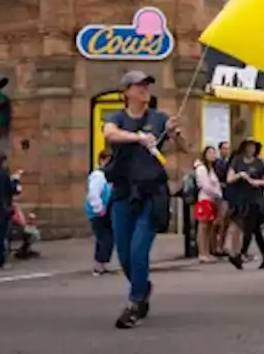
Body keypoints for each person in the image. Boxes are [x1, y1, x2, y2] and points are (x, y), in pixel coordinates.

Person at [101, 71, 187, 329]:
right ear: (126, 91)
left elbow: (183, 147)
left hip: (151, 192)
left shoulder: (159, 118)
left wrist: (175, 133)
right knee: (125, 253)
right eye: (139, 86)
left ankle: (135, 302)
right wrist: (138, 137)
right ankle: (143, 286)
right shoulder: (117, 118)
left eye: (147, 85)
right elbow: (109, 134)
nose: (145, 90)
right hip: (123, 191)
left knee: (139, 249)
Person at [224, 138, 264, 271]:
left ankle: (240, 254)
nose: (251, 149)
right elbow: (229, 179)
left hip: (255, 199)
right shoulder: (237, 161)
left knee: (250, 227)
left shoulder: (259, 163)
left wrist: (256, 182)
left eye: (254, 147)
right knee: (254, 229)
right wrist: (240, 175)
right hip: (242, 199)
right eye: (249, 147)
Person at [87, 149, 114, 275]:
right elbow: (93, 193)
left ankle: (101, 264)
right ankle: (98, 265)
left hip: (105, 210)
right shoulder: (98, 175)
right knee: (105, 238)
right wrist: (99, 208)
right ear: (102, 160)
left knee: (105, 238)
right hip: (99, 211)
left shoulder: (107, 175)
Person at [192, 146, 222, 263]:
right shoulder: (201, 168)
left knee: (210, 227)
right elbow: (205, 185)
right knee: (203, 227)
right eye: (210, 153)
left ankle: (207, 252)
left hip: (212, 200)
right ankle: (202, 252)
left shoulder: (211, 168)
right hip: (205, 199)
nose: (212, 155)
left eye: (214, 153)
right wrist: (216, 194)